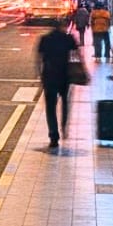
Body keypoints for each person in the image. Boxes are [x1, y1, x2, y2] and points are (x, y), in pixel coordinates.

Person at [36, 17, 78, 148]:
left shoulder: (45, 39)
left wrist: (39, 74)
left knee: (50, 107)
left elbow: (39, 59)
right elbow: (77, 54)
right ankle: (64, 127)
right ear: (62, 26)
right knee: (65, 102)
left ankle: (53, 135)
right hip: (65, 75)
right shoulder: (68, 38)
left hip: (49, 75)